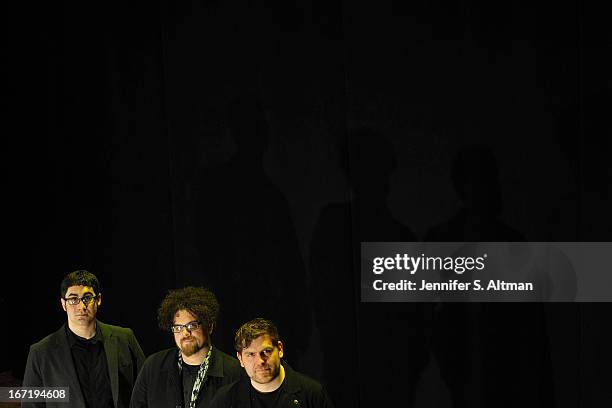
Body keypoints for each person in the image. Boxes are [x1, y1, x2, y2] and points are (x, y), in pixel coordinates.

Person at [23, 270, 146, 408]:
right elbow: (31, 405)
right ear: (63, 304)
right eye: (73, 299)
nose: (81, 306)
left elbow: (146, 390)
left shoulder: (125, 338)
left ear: (98, 299)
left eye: (87, 298)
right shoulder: (40, 353)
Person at [130, 286, 242, 408]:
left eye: (192, 326)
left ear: (209, 326)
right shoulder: (153, 366)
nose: (185, 333)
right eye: (178, 328)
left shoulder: (234, 372)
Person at [210, 318, 335, 408]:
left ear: (280, 349)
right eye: (250, 354)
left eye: (266, 351)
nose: (260, 361)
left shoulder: (312, 394)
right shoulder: (225, 400)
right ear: (240, 359)